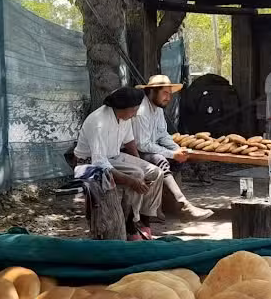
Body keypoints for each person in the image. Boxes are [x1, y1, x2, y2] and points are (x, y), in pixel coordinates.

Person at [74, 87, 164, 240]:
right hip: (89, 163)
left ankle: (144, 220)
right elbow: (99, 162)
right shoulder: (99, 122)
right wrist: (131, 179)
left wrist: (138, 161)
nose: (135, 114)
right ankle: (130, 223)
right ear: (123, 108)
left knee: (155, 172)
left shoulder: (124, 117)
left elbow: (129, 141)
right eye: (134, 110)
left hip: (113, 156)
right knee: (136, 175)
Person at [133, 75, 213, 221]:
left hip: (147, 149)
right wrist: (171, 154)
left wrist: (177, 150)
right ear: (152, 92)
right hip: (131, 152)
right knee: (160, 159)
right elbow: (142, 145)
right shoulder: (142, 111)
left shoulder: (157, 109)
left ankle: (168, 205)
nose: (168, 98)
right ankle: (184, 205)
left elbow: (163, 134)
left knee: (176, 160)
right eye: (165, 93)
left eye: (170, 94)